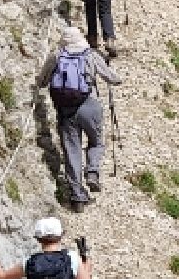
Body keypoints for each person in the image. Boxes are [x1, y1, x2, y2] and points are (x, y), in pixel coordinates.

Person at [36, 27, 122, 203]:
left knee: (72, 151)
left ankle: (77, 196)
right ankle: (92, 172)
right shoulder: (90, 55)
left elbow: (42, 81)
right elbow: (113, 78)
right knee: (96, 142)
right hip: (89, 106)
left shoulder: (56, 56)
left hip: (66, 111)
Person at [0, 217, 93, 279]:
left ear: (39, 239)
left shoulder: (30, 261)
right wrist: (85, 259)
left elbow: (2, 278)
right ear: (61, 236)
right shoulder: (72, 257)